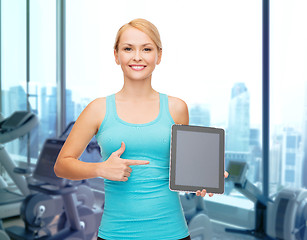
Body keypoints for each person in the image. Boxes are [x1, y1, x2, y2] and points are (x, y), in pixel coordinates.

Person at [54, 18, 228, 240]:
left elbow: (184, 169)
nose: (137, 57)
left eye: (146, 49)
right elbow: (62, 165)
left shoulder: (177, 108)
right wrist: (100, 169)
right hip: (116, 234)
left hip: (172, 232)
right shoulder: (97, 109)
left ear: (159, 55)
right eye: (128, 49)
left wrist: (204, 179)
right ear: (116, 55)